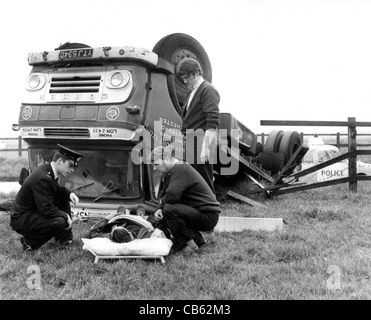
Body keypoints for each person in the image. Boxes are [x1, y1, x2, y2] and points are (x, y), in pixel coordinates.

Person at [10, 144, 83, 251]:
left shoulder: (48, 171)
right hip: (22, 218)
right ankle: (29, 242)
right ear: (59, 161)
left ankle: (64, 239)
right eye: (70, 165)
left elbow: (57, 190)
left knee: (63, 197)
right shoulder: (43, 177)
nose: (72, 170)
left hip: (31, 213)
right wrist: (66, 216)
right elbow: (46, 210)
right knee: (59, 222)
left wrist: (69, 194)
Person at [150, 145, 221, 255]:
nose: (154, 168)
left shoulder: (180, 169)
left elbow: (172, 195)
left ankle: (186, 244)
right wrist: (159, 208)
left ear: (168, 159)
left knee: (169, 210)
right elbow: (164, 194)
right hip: (200, 212)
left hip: (208, 215)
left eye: (156, 164)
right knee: (164, 211)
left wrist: (162, 205)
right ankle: (198, 239)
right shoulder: (170, 172)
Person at [176, 58, 220, 194]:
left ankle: (211, 212)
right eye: (183, 78)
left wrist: (205, 148)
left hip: (201, 144)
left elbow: (212, 121)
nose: (185, 81)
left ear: (195, 73)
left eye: (186, 77)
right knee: (192, 182)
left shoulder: (208, 89)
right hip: (191, 143)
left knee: (204, 183)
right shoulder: (191, 92)